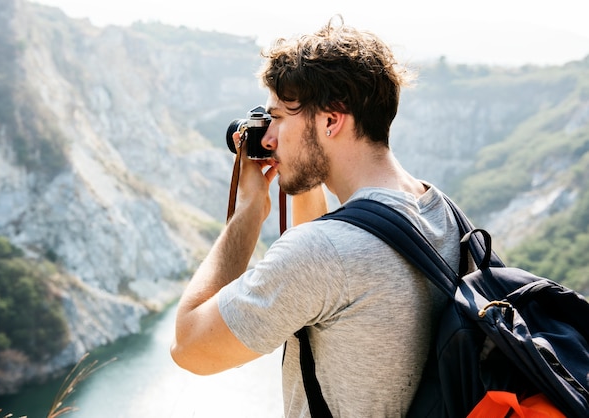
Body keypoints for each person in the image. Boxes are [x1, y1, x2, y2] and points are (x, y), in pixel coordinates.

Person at [171, 16, 462, 417]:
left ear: (330, 120)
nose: (269, 138)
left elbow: (189, 347)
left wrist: (249, 212)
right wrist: (302, 165)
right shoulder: (442, 212)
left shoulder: (324, 254)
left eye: (279, 119)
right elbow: (326, 276)